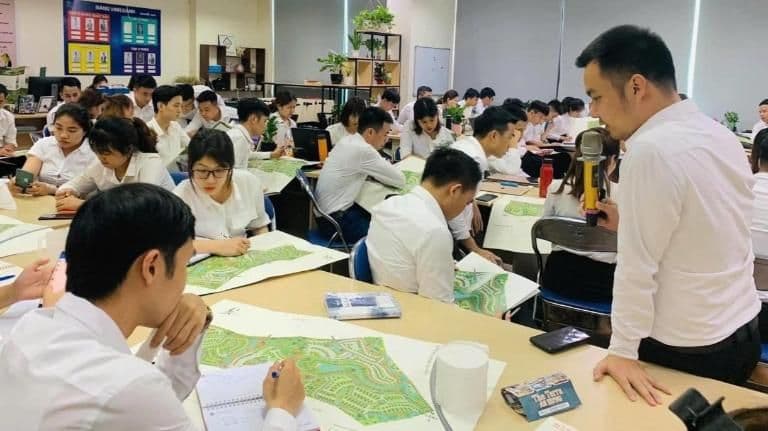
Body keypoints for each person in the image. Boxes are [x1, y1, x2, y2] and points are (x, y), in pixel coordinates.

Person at [0, 183, 307, 429]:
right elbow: (139, 395)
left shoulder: (31, 326)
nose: (184, 284)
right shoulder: (128, 387)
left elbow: (155, 405)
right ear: (151, 267)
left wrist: (192, 323)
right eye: (184, 265)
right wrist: (282, 411)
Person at [577, 25, 760, 405]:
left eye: (596, 97)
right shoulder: (718, 134)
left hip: (686, 348)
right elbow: (711, 225)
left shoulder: (651, 151)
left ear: (636, 87)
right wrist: (628, 222)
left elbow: (636, 266)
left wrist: (622, 351)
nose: (593, 112)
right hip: (741, 329)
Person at [368, 148, 481, 303]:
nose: (464, 208)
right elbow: (439, 305)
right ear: (455, 191)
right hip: (413, 309)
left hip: (383, 295)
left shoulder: (389, 204)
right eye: (467, 202)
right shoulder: (434, 231)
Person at [541, 128, 620, 302]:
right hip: (604, 288)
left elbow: (545, 230)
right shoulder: (625, 195)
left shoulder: (556, 188)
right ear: (613, 160)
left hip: (556, 279)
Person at [315, 107, 405, 244]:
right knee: (391, 231)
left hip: (324, 217)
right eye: (385, 134)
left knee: (377, 214)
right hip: (336, 223)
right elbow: (399, 180)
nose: (387, 139)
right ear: (370, 132)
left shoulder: (347, 140)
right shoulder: (364, 150)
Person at [175, 129, 270, 257]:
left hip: (243, 257)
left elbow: (259, 226)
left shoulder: (249, 183)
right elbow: (168, 243)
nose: (210, 180)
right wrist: (218, 246)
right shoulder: (181, 196)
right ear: (190, 168)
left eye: (219, 170)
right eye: (202, 171)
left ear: (231, 167)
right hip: (203, 261)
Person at [56, 117, 174, 211]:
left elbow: (141, 206)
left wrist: (84, 205)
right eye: (97, 152)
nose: (101, 158)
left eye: (107, 153)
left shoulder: (151, 163)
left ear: (128, 149)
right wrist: (68, 192)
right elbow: (73, 184)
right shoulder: (100, 165)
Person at [451, 107, 516, 264]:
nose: (510, 144)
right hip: (450, 234)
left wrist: (471, 201)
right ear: (494, 136)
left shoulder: (467, 146)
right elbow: (452, 210)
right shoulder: (474, 159)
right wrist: (474, 249)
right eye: (509, 137)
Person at [10, 104, 95, 196]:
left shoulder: (94, 152)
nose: (63, 135)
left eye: (71, 130)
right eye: (58, 128)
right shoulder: (44, 144)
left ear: (85, 131)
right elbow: (27, 174)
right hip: (42, 200)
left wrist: (52, 190)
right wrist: (18, 182)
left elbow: (84, 191)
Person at [520, 100, 571, 178]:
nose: (541, 121)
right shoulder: (522, 123)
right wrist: (546, 145)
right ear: (532, 113)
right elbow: (528, 142)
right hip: (525, 153)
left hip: (530, 150)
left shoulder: (533, 123)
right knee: (549, 164)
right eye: (540, 118)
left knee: (564, 157)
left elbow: (534, 140)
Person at [229, 98, 283, 169]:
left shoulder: (239, 134)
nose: (266, 125)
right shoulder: (239, 138)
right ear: (254, 119)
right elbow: (233, 171)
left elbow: (248, 154)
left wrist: (271, 155)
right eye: (264, 121)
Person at [146, 85, 190, 168]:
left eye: (181, 106)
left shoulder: (176, 126)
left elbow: (191, 147)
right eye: (176, 105)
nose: (180, 110)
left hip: (175, 173)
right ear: (161, 106)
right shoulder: (147, 130)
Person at [487, 104, 527, 175]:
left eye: (523, 130)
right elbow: (511, 170)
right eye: (519, 130)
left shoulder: (505, 144)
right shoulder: (490, 147)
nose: (521, 134)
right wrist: (513, 145)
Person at [0, 83, 17, 156]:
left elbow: (11, 141)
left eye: (0, 101)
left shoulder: (8, 117)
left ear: (5, 101)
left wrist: (8, 148)